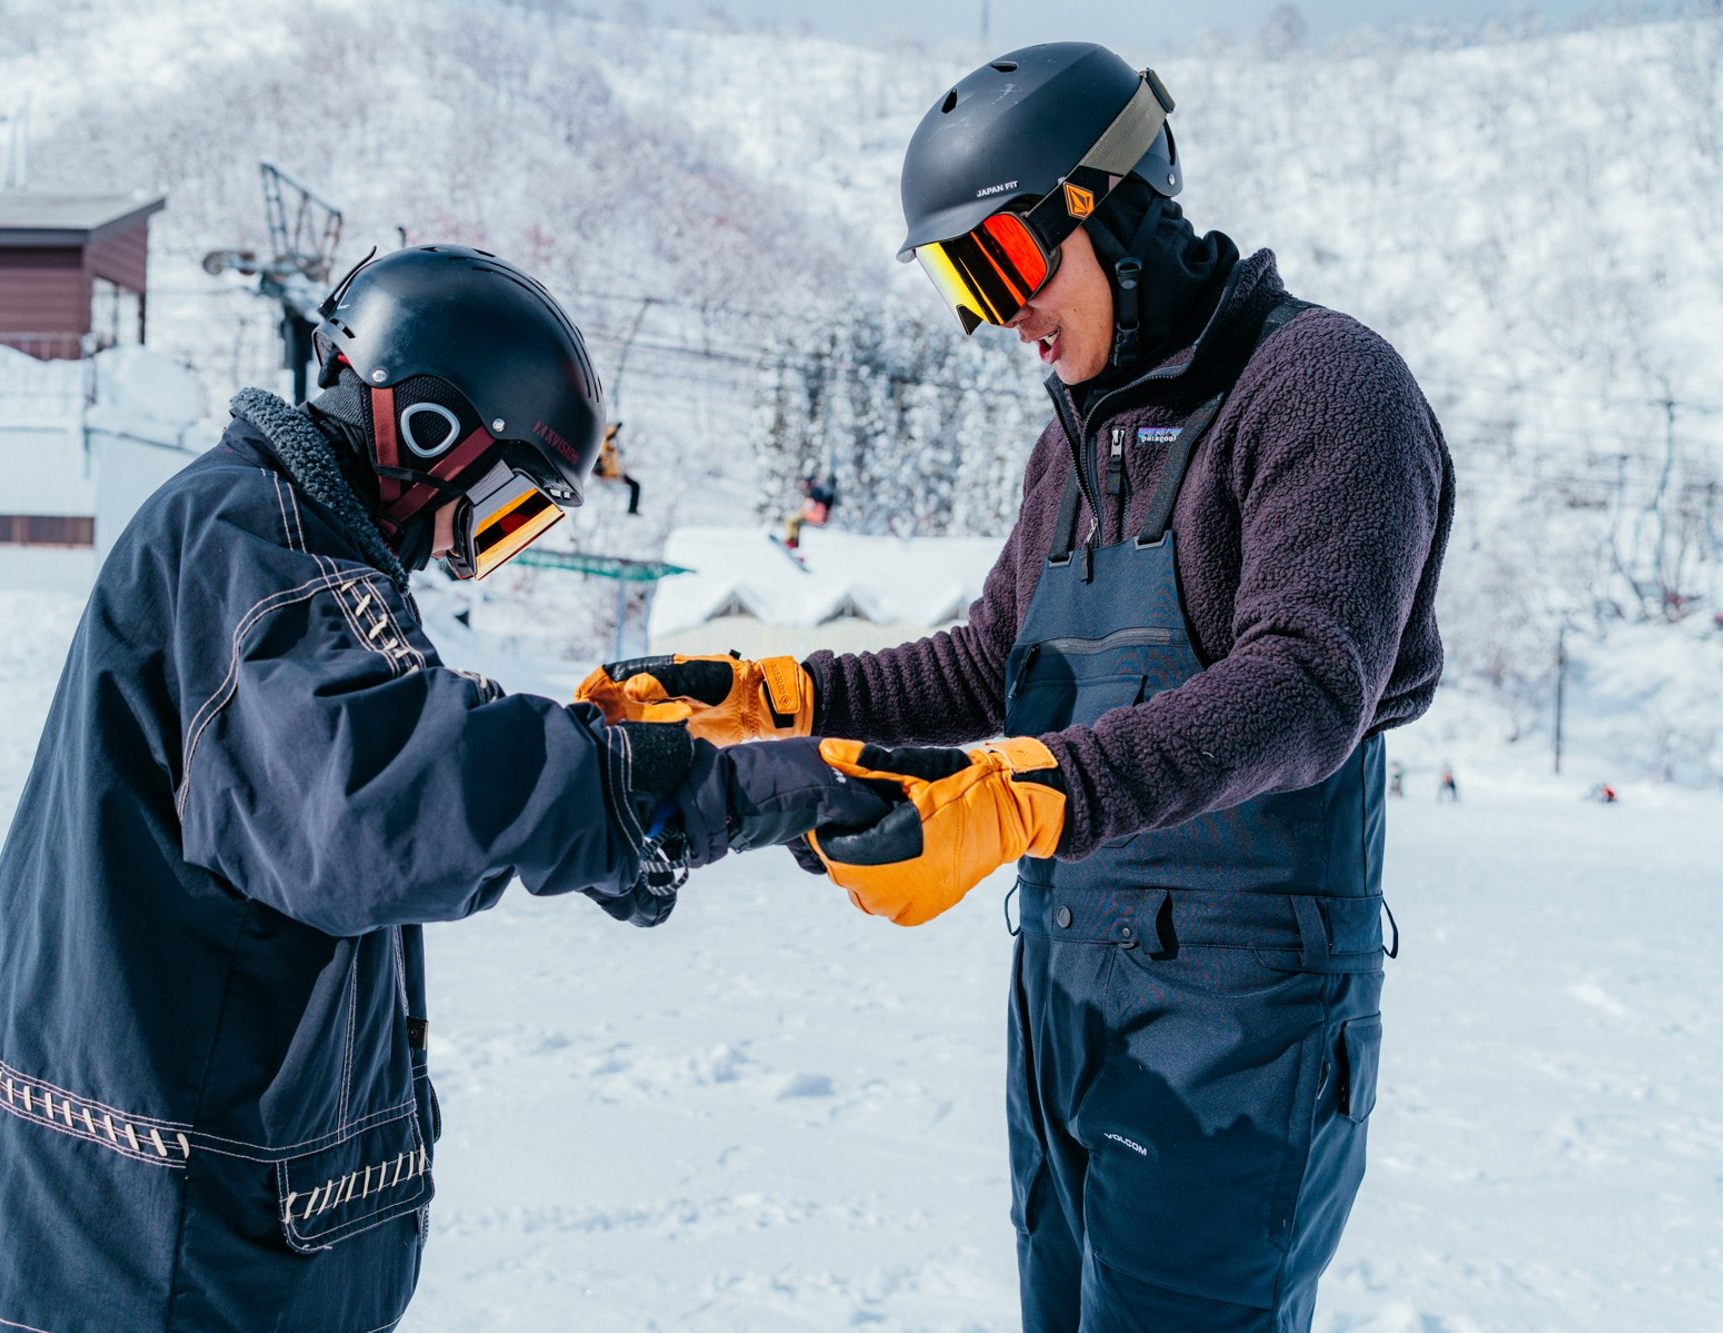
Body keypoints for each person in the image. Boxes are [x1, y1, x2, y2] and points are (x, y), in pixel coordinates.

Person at [580, 44, 1453, 1332]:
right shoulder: (1078, 437)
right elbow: (995, 661)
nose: (994, 319)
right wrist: (771, 697)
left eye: (995, 265)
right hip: (1066, 993)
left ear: (1115, 208)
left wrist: (1019, 796)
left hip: (1240, 1021)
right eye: (956, 284)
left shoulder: (1321, 388)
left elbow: (1308, 683)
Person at [0, 246, 883, 1332]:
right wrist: (697, 791)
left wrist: (606, 764)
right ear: (425, 432)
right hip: (150, 1258)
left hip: (92, 1226)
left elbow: (379, 734)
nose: (470, 551)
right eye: (503, 507)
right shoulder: (276, 560)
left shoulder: (248, 531)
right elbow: (380, 799)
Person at [781, 474, 837, 549]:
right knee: (795, 522)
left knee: (792, 521)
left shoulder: (817, 490)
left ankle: (791, 542)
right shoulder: (824, 491)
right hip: (816, 515)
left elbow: (814, 505)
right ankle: (793, 543)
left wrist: (805, 510)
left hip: (815, 515)